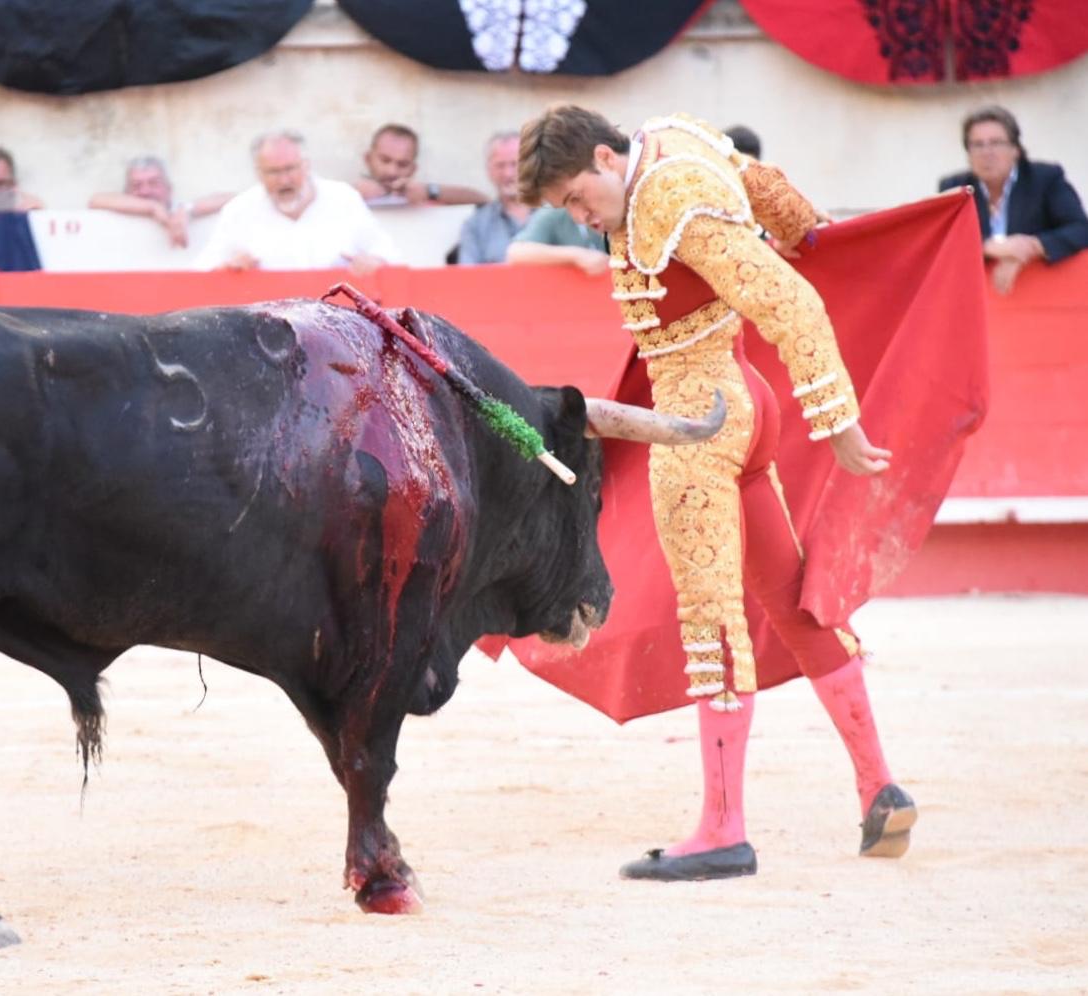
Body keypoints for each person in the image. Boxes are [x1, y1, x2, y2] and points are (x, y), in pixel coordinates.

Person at [517, 105, 915, 881]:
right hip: (740, 398)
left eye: (574, 196)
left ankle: (722, 829)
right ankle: (879, 786)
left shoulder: (664, 198)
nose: (577, 217)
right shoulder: (677, 140)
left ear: (605, 156)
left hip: (696, 419)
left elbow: (788, 300)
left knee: (710, 620)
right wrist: (812, 228)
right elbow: (762, 185)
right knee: (792, 602)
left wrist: (836, 419)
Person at [195, 130, 399, 274]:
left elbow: (388, 252)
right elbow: (201, 273)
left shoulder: (343, 199)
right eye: (273, 172)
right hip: (267, 327)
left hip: (335, 322)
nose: (284, 180)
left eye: (290, 169)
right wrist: (227, 269)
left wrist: (374, 261)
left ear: (306, 165)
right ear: (258, 173)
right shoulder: (239, 210)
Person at [938, 105, 1088, 294]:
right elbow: (945, 243)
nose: (986, 152)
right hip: (979, 297)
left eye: (996, 143)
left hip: (1040, 294)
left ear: (1015, 149)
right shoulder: (955, 187)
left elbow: (1081, 229)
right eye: (977, 144)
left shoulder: (1045, 178)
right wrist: (988, 246)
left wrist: (1030, 247)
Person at [88, 156, 232, 248]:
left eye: (154, 183)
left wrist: (188, 210)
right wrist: (152, 207)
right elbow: (95, 201)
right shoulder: (123, 210)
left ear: (169, 188)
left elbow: (235, 198)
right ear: (126, 192)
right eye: (136, 186)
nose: (145, 191)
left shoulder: (178, 211)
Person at [351, 123, 487, 208]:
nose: (392, 171)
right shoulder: (349, 195)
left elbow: (482, 201)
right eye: (385, 160)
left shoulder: (422, 196)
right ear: (368, 159)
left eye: (403, 164)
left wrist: (430, 192)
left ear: (413, 169)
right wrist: (350, 192)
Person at [456, 131, 533, 264]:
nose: (508, 174)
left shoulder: (558, 215)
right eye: (500, 165)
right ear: (489, 170)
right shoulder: (475, 225)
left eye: (515, 164)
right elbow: (467, 278)